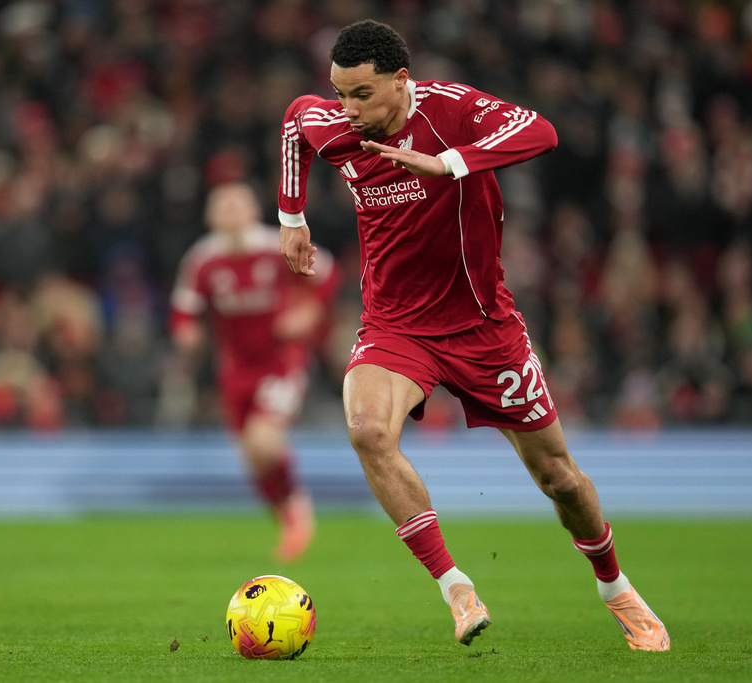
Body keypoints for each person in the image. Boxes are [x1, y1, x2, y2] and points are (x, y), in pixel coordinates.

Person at [278, 20, 670, 650]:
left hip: (485, 328)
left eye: (362, 95)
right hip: (396, 325)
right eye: (340, 93)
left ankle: (614, 585)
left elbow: (541, 131)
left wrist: (450, 164)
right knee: (367, 429)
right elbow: (297, 121)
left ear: (401, 82)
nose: (347, 110)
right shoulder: (333, 124)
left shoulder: (452, 111)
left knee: (560, 481)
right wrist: (290, 216)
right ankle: (455, 585)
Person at [169, 181, 340, 563]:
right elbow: (183, 308)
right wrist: (187, 332)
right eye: (222, 204)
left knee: (264, 441)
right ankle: (288, 518)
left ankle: (299, 509)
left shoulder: (274, 245)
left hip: (281, 361)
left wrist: (308, 313)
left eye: (237, 203)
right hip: (234, 370)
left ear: (253, 211)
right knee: (252, 457)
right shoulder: (202, 260)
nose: (230, 210)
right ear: (210, 216)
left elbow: (327, 274)